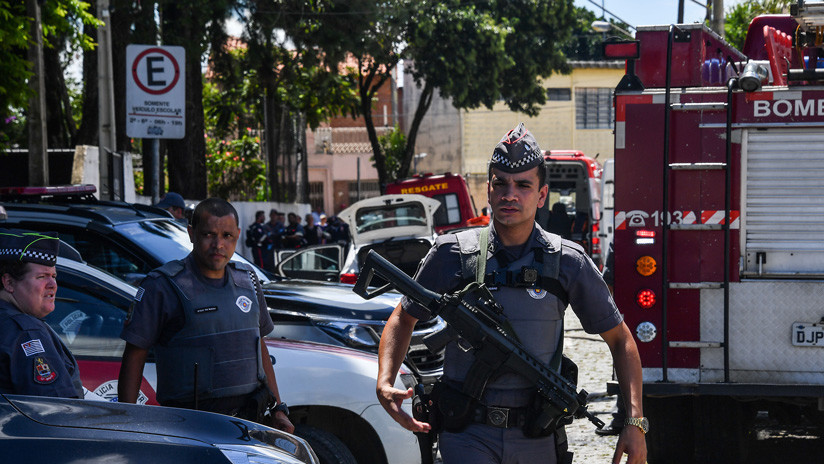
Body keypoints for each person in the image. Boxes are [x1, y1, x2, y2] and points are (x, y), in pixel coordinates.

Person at [376, 123, 646, 464]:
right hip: (466, 433)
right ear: (488, 190)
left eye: (523, 185)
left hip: (536, 433)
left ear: (542, 194)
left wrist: (635, 421)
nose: (510, 195)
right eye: (500, 184)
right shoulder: (453, 253)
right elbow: (403, 317)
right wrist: (384, 380)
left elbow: (621, 340)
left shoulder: (567, 261)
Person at [117, 198, 294, 432]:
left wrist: (278, 409)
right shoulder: (162, 285)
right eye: (209, 234)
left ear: (237, 235)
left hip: (249, 423)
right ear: (191, 234)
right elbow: (134, 356)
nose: (218, 244)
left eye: (227, 236)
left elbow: (258, 345)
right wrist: (128, 424)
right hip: (191, 426)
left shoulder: (248, 279)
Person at [0, 229, 83, 398]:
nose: (53, 284)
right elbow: (56, 409)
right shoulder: (26, 332)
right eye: (42, 277)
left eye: (54, 276)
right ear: (9, 282)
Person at [595, 241, 627, 436]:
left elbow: (608, 282)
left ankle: (622, 419)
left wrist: (607, 317)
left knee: (626, 358)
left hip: (635, 310)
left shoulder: (624, 236)